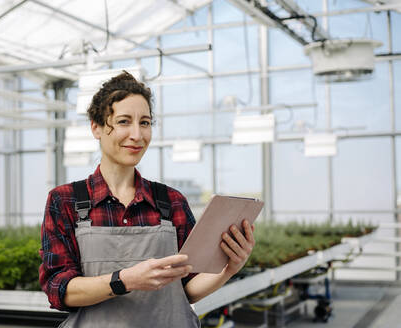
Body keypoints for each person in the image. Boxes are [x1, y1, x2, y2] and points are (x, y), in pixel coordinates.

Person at [39, 71, 255, 327]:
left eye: (144, 122)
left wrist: (228, 268)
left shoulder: (171, 202)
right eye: (123, 122)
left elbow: (186, 288)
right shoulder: (66, 202)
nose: (137, 135)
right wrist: (125, 280)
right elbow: (59, 289)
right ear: (96, 127)